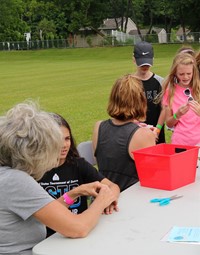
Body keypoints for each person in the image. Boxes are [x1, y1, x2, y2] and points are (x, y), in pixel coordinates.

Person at [0, 101, 116, 255]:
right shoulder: (15, 180)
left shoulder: (7, 174)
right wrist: (102, 199)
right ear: (33, 151)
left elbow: (44, 213)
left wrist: (73, 194)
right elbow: (78, 228)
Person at [39, 113, 120, 237]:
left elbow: (113, 186)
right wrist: (75, 193)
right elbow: (44, 215)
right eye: (58, 139)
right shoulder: (35, 171)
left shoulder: (77, 164)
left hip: (82, 231)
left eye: (67, 139)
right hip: (49, 237)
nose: (64, 145)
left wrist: (107, 199)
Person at [92, 74, 156, 192]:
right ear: (141, 100)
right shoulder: (143, 134)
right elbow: (152, 175)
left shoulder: (98, 127)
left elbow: (102, 161)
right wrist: (150, 137)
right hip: (130, 199)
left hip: (102, 196)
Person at [160, 52, 200, 145]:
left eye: (189, 73)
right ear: (175, 73)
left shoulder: (198, 89)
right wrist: (177, 115)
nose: (185, 77)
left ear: (194, 72)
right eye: (181, 74)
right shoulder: (170, 92)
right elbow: (169, 123)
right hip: (180, 142)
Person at [133, 41, 166, 143]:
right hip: (135, 132)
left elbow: (164, 108)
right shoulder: (129, 83)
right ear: (134, 59)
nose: (145, 66)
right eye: (142, 63)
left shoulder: (160, 82)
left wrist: (157, 129)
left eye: (147, 63)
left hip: (157, 133)